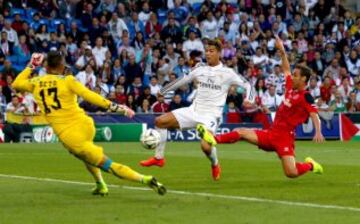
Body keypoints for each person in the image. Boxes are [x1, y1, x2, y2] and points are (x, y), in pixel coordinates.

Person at [12, 51, 166, 196]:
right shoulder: (68, 80)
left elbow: (16, 84)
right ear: (60, 65)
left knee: (107, 165)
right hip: (85, 123)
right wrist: (118, 107)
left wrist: (32, 64)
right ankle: (100, 185)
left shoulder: (36, 83)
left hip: (70, 136)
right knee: (84, 157)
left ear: (46, 67)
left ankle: (144, 179)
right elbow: (90, 95)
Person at [197, 36, 325, 179]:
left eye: (296, 76)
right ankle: (214, 139)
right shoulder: (290, 87)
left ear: (303, 79)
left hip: (284, 138)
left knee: (291, 172)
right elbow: (286, 69)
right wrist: (282, 51)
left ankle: (310, 165)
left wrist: (318, 131)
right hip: (271, 133)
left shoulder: (306, 96)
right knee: (241, 132)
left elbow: (314, 114)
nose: (292, 77)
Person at [140, 39, 255, 180]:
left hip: (211, 116)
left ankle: (215, 163)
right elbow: (182, 80)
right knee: (159, 121)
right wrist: (163, 90)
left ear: (219, 53)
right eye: (206, 51)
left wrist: (249, 99)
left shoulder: (228, 73)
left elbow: (249, 85)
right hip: (193, 111)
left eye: (211, 51)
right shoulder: (200, 69)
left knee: (206, 147)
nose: (208, 53)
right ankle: (159, 158)